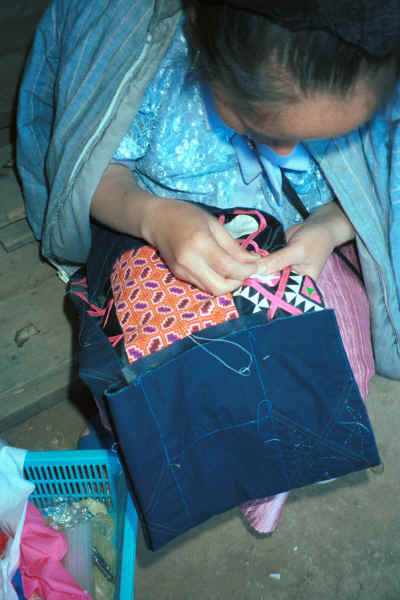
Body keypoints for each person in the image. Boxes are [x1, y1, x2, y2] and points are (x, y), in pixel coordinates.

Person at [16, 0, 400, 532]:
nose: (289, 150)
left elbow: (373, 191)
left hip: (295, 239)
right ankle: (137, 444)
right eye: (257, 123)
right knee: (156, 375)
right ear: (200, 37)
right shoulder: (155, 71)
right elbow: (94, 176)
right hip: (164, 229)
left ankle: (267, 471)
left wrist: (330, 227)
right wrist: (156, 218)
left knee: (330, 363)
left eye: (319, 139)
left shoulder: (373, 72)